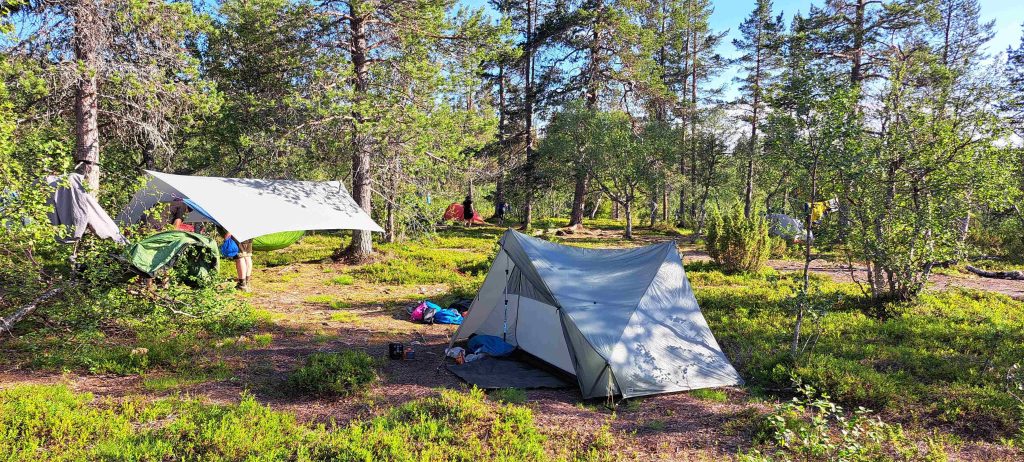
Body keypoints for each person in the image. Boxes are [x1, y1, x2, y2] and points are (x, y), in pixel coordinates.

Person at [219, 226, 253, 291]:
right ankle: (247, 282)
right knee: (247, 256)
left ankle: (242, 285)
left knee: (240, 257)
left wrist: (228, 235)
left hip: (238, 233)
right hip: (249, 233)